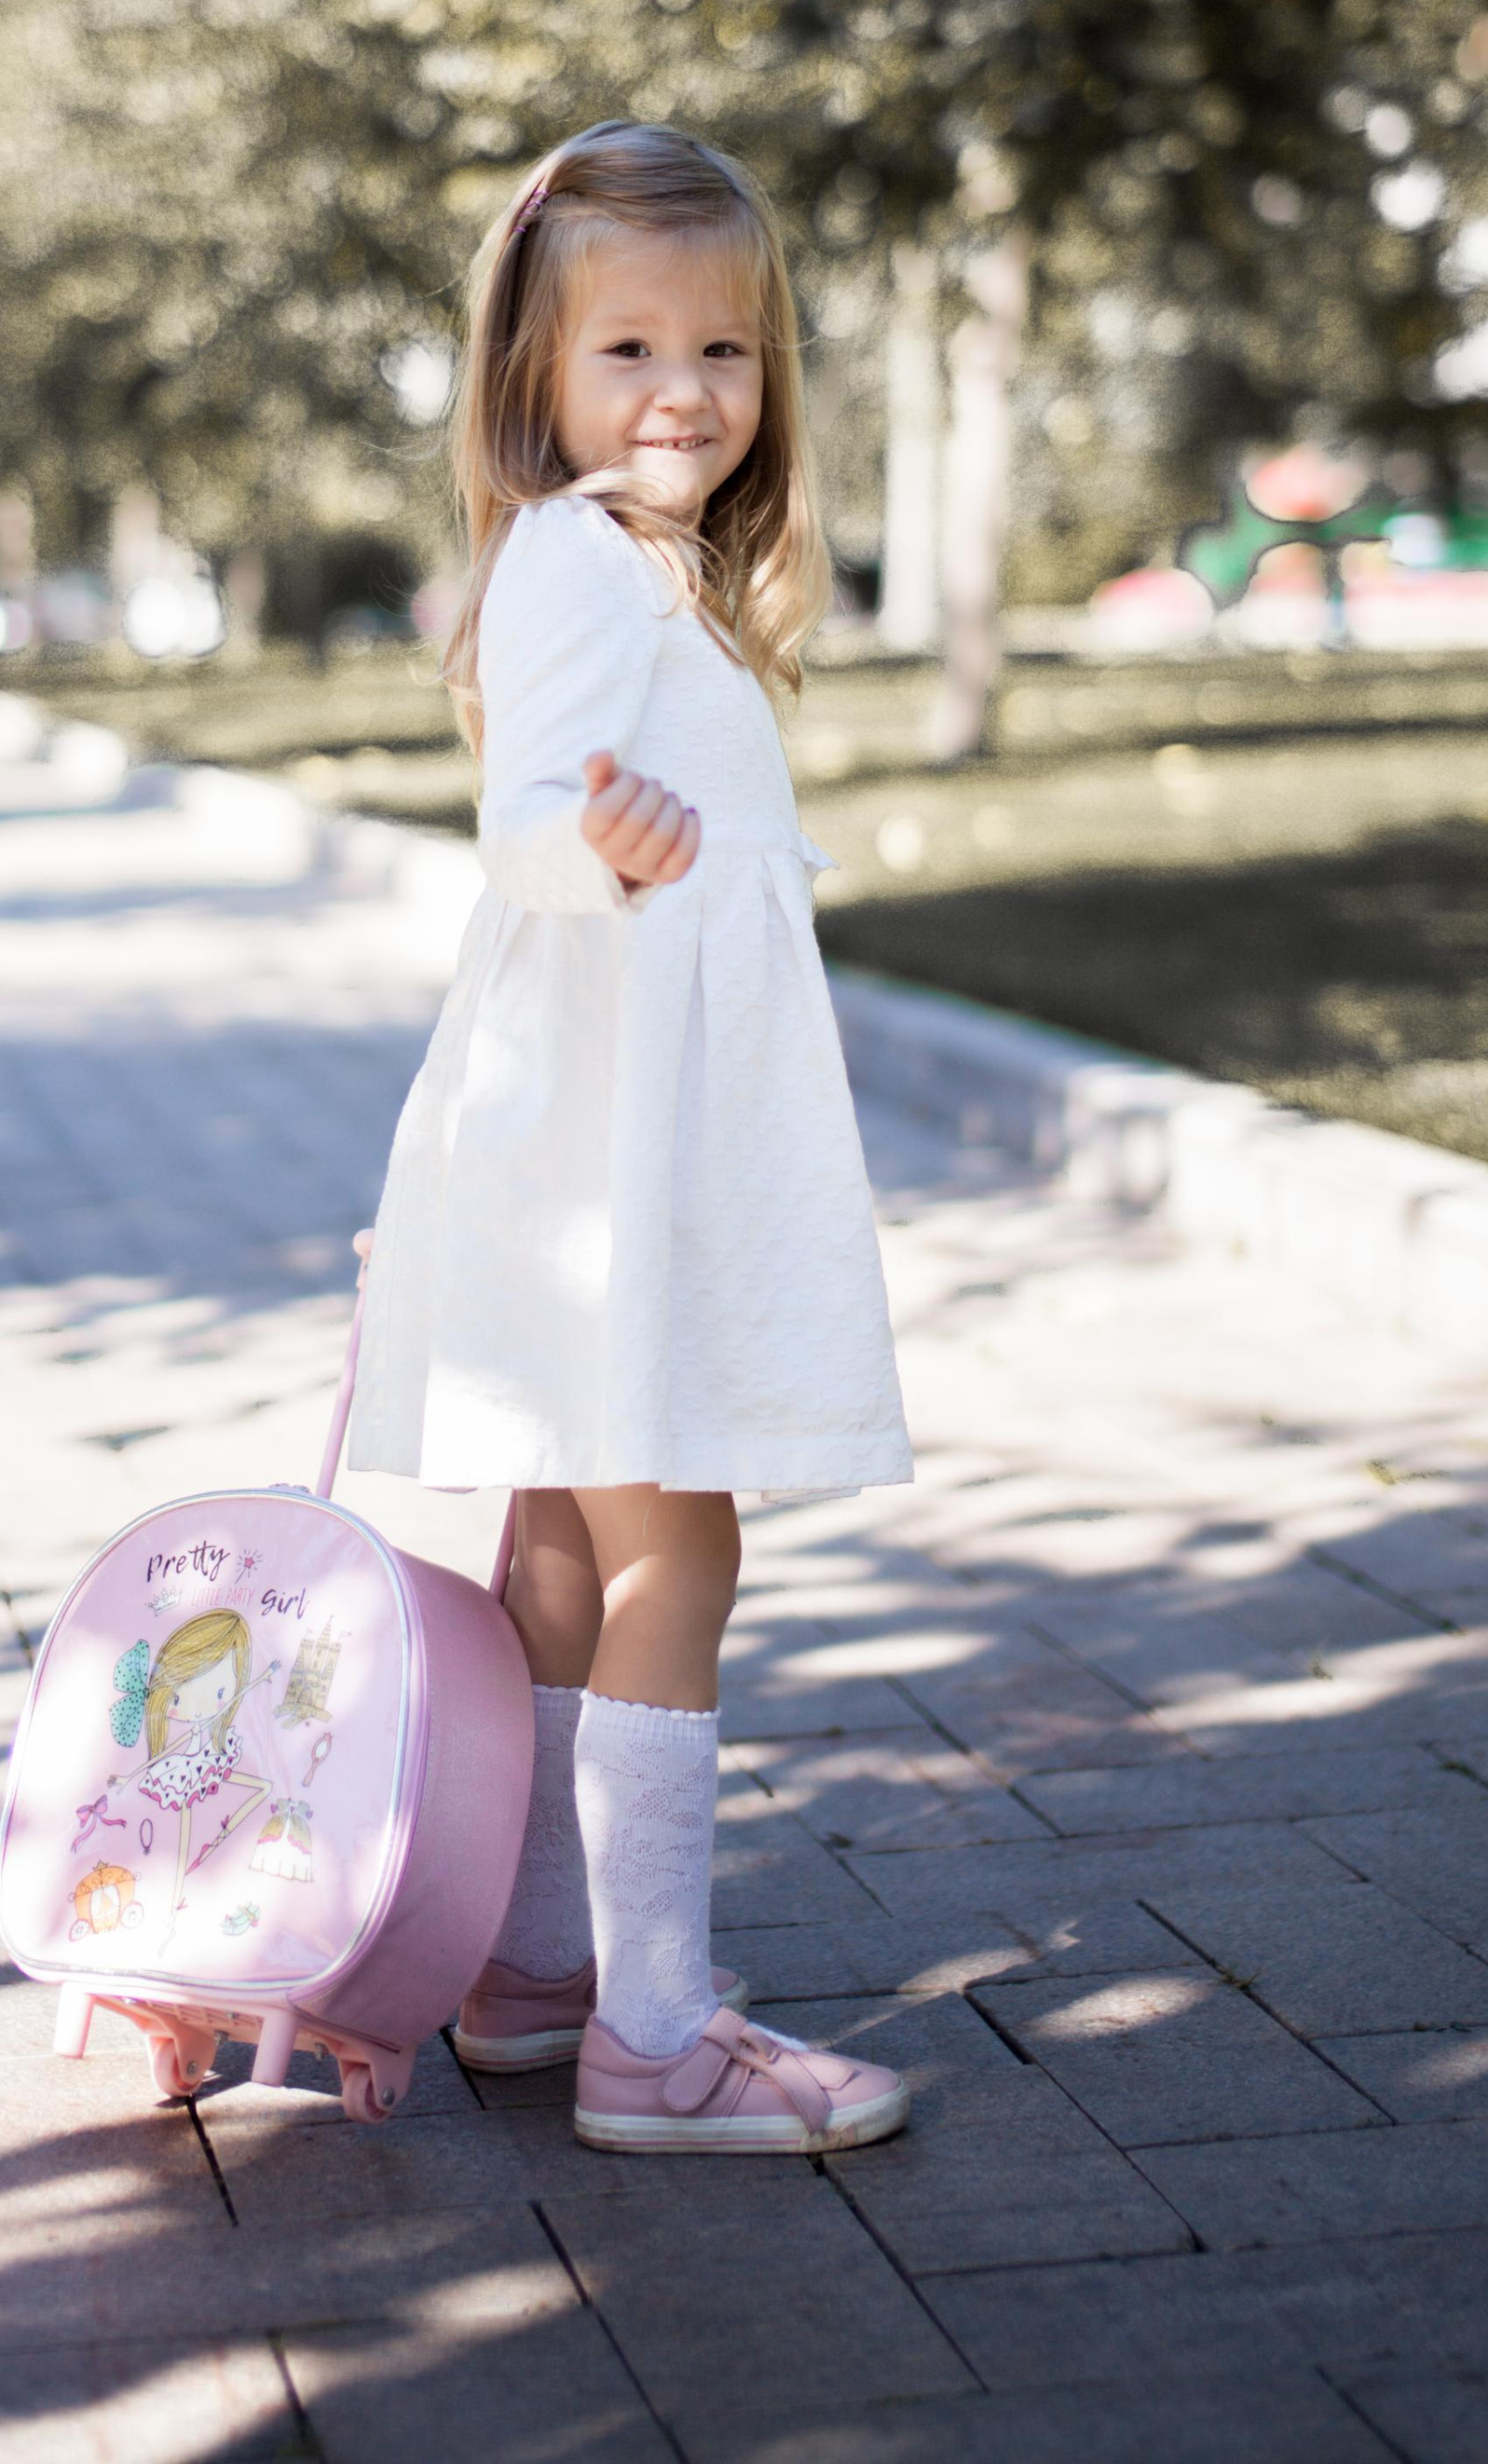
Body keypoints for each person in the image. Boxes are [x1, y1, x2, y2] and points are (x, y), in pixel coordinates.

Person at [350, 119, 913, 2156]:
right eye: (627, 353)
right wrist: (588, 848)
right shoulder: (575, 556)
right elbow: (520, 824)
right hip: (613, 1151)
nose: (683, 392)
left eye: (726, 353)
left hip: (589, 1137)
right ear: (533, 379)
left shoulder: (645, 568)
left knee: (576, 1554)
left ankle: (528, 1974)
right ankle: (654, 2041)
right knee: (680, 1538)